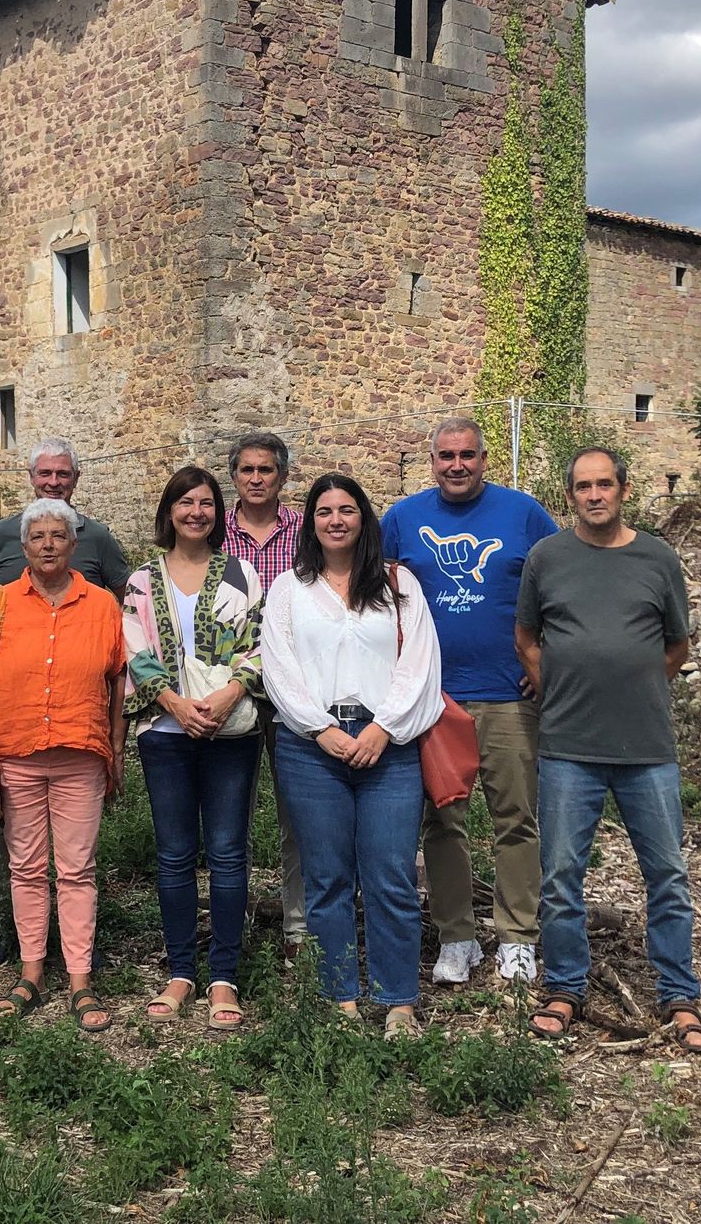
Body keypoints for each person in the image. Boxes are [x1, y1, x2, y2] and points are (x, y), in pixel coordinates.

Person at [517, 448, 701, 1054]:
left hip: (647, 747)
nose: (594, 495)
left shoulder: (657, 556)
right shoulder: (547, 558)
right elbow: (527, 638)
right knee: (560, 876)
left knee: (668, 875)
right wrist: (567, 688)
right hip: (567, 746)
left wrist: (632, 686)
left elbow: (676, 646)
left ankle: (679, 995)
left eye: (605, 484)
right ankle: (565, 987)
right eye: (583, 487)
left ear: (624, 490)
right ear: (570, 494)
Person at [261, 473, 441, 1038]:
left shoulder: (397, 583)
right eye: (323, 512)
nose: (335, 520)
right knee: (328, 877)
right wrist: (319, 729)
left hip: (388, 747)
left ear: (364, 519)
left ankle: (398, 1002)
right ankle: (339, 998)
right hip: (311, 749)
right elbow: (277, 664)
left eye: (346, 510)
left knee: (390, 874)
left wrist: (383, 729)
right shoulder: (289, 589)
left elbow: (421, 664)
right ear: (310, 523)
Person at [381, 416, 559, 987]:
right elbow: (371, 595)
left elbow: (563, 585)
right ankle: (457, 936)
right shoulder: (403, 520)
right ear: (431, 461)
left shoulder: (524, 513)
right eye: (446, 456)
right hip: (434, 699)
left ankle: (517, 938)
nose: (456, 465)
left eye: (467, 455)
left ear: (485, 459)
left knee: (517, 819)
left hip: (509, 695)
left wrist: (545, 661)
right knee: (441, 821)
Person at [0, 437, 130, 969]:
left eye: (58, 537)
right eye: (38, 538)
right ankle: (15, 943)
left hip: (80, 742)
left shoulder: (101, 580)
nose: (48, 544)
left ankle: (76, 962)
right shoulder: (0, 590)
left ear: (74, 543)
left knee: (77, 864)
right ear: (24, 544)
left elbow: (119, 672)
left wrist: (117, 751)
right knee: (16, 858)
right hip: (16, 742)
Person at [123, 466, 264, 1030]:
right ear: (169, 511)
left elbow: (259, 643)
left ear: (217, 514)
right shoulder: (141, 580)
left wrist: (230, 694)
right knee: (176, 854)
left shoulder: (240, 574)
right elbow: (135, 651)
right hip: (166, 735)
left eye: (206, 503)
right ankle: (181, 970)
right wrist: (176, 706)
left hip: (230, 732)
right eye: (185, 503)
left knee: (229, 853)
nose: (196, 512)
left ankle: (223, 975)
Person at [220, 430, 307, 963]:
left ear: (283, 476)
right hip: (231, 690)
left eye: (266, 470)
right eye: (247, 470)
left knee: (297, 812)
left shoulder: (307, 529)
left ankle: (298, 928)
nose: (256, 479)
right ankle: (239, 921)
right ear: (234, 476)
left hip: (294, 688)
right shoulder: (212, 531)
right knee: (234, 812)